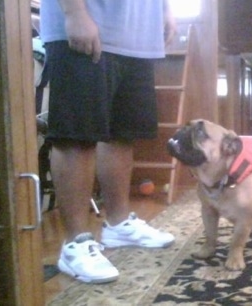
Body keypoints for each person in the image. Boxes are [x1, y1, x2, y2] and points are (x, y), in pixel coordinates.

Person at [40, 0, 177, 283]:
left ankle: (118, 223)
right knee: (76, 136)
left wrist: (164, 9)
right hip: (86, 22)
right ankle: (74, 243)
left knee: (122, 134)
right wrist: (74, 12)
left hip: (137, 37)